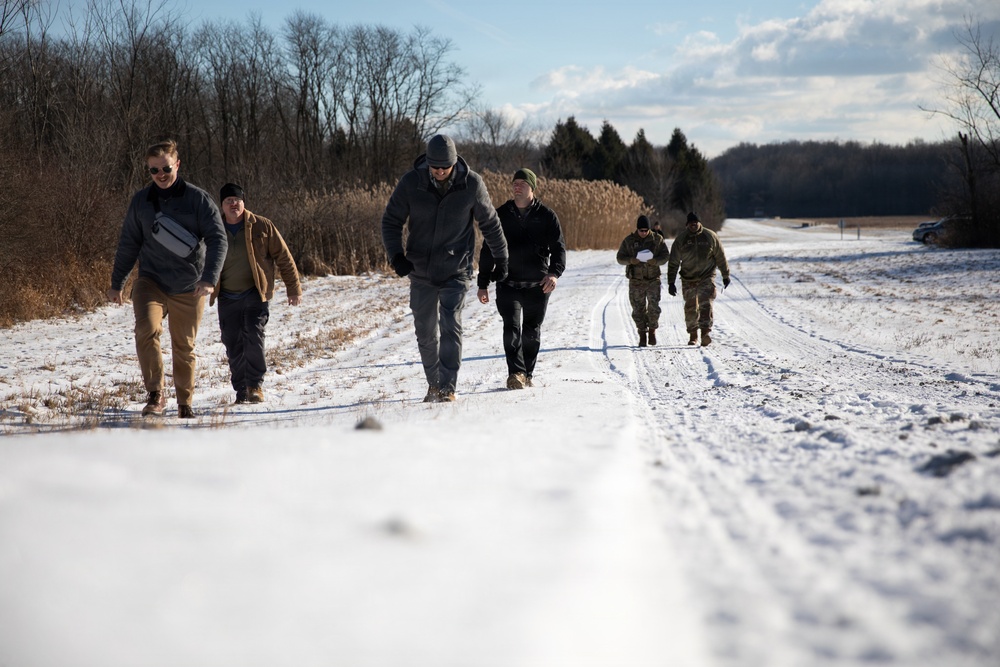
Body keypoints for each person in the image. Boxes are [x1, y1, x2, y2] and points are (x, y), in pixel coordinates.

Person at [382, 134, 508, 402]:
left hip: (456, 268)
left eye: (444, 167)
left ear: (453, 163)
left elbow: (491, 224)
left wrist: (502, 258)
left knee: (451, 325)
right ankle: (434, 384)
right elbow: (391, 221)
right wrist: (396, 256)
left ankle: (448, 387)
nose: (439, 172)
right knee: (425, 331)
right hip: (421, 270)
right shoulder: (411, 183)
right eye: (434, 166)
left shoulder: (471, 184)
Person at [107, 139, 227, 418]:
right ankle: (155, 395)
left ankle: (185, 402)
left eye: (165, 168)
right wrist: (117, 283)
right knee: (146, 330)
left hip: (191, 285)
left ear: (178, 165)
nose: (160, 175)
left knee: (183, 345)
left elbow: (218, 239)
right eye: (153, 171)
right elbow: (129, 243)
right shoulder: (141, 201)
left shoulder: (198, 199)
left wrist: (209, 278)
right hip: (151, 281)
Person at [212, 183, 303, 404]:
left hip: (255, 293)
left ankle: (255, 385)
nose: (233, 204)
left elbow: (283, 257)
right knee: (232, 341)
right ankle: (241, 389)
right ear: (221, 206)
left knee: (253, 335)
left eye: (237, 200)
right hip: (227, 295)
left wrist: (293, 288)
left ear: (244, 202)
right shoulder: (213, 229)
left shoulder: (262, 226)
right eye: (228, 201)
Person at [477, 168, 566, 389]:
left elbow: (559, 249)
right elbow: (487, 250)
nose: (517, 186)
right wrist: (483, 283)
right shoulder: (501, 215)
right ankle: (515, 373)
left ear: (532, 188)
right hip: (508, 283)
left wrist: (554, 274)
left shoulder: (547, 216)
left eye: (522, 183)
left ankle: (527, 372)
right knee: (511, 327)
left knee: (531, 331)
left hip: (538, 285)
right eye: (514, 182)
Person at [667, 212, 731, 347]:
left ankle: (705, 333)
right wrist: (671, 282)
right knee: (690, 308)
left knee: (706, 304)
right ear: (687, 224)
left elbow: (720, 257)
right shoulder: (681, 239)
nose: (693, 225)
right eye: (691, 223)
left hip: (706, 277)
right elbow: (673, 262)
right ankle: (693, 335)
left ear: (699, 223)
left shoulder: (710, 236)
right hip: (688, 278)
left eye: (695, 222)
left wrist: (725, 275)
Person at [616, 215, 669, 347]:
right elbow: (620, 258)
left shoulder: (657, 239)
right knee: (638, 309)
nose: (644, 233)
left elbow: (665, 256)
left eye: (646, 230)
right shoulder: (629, 241)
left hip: (653, 280)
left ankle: (652, 330)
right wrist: (630, 260)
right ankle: (642, 334)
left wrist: (655, 261)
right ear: (637, 229)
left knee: (654, 308)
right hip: (636, 281)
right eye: (641, 230)